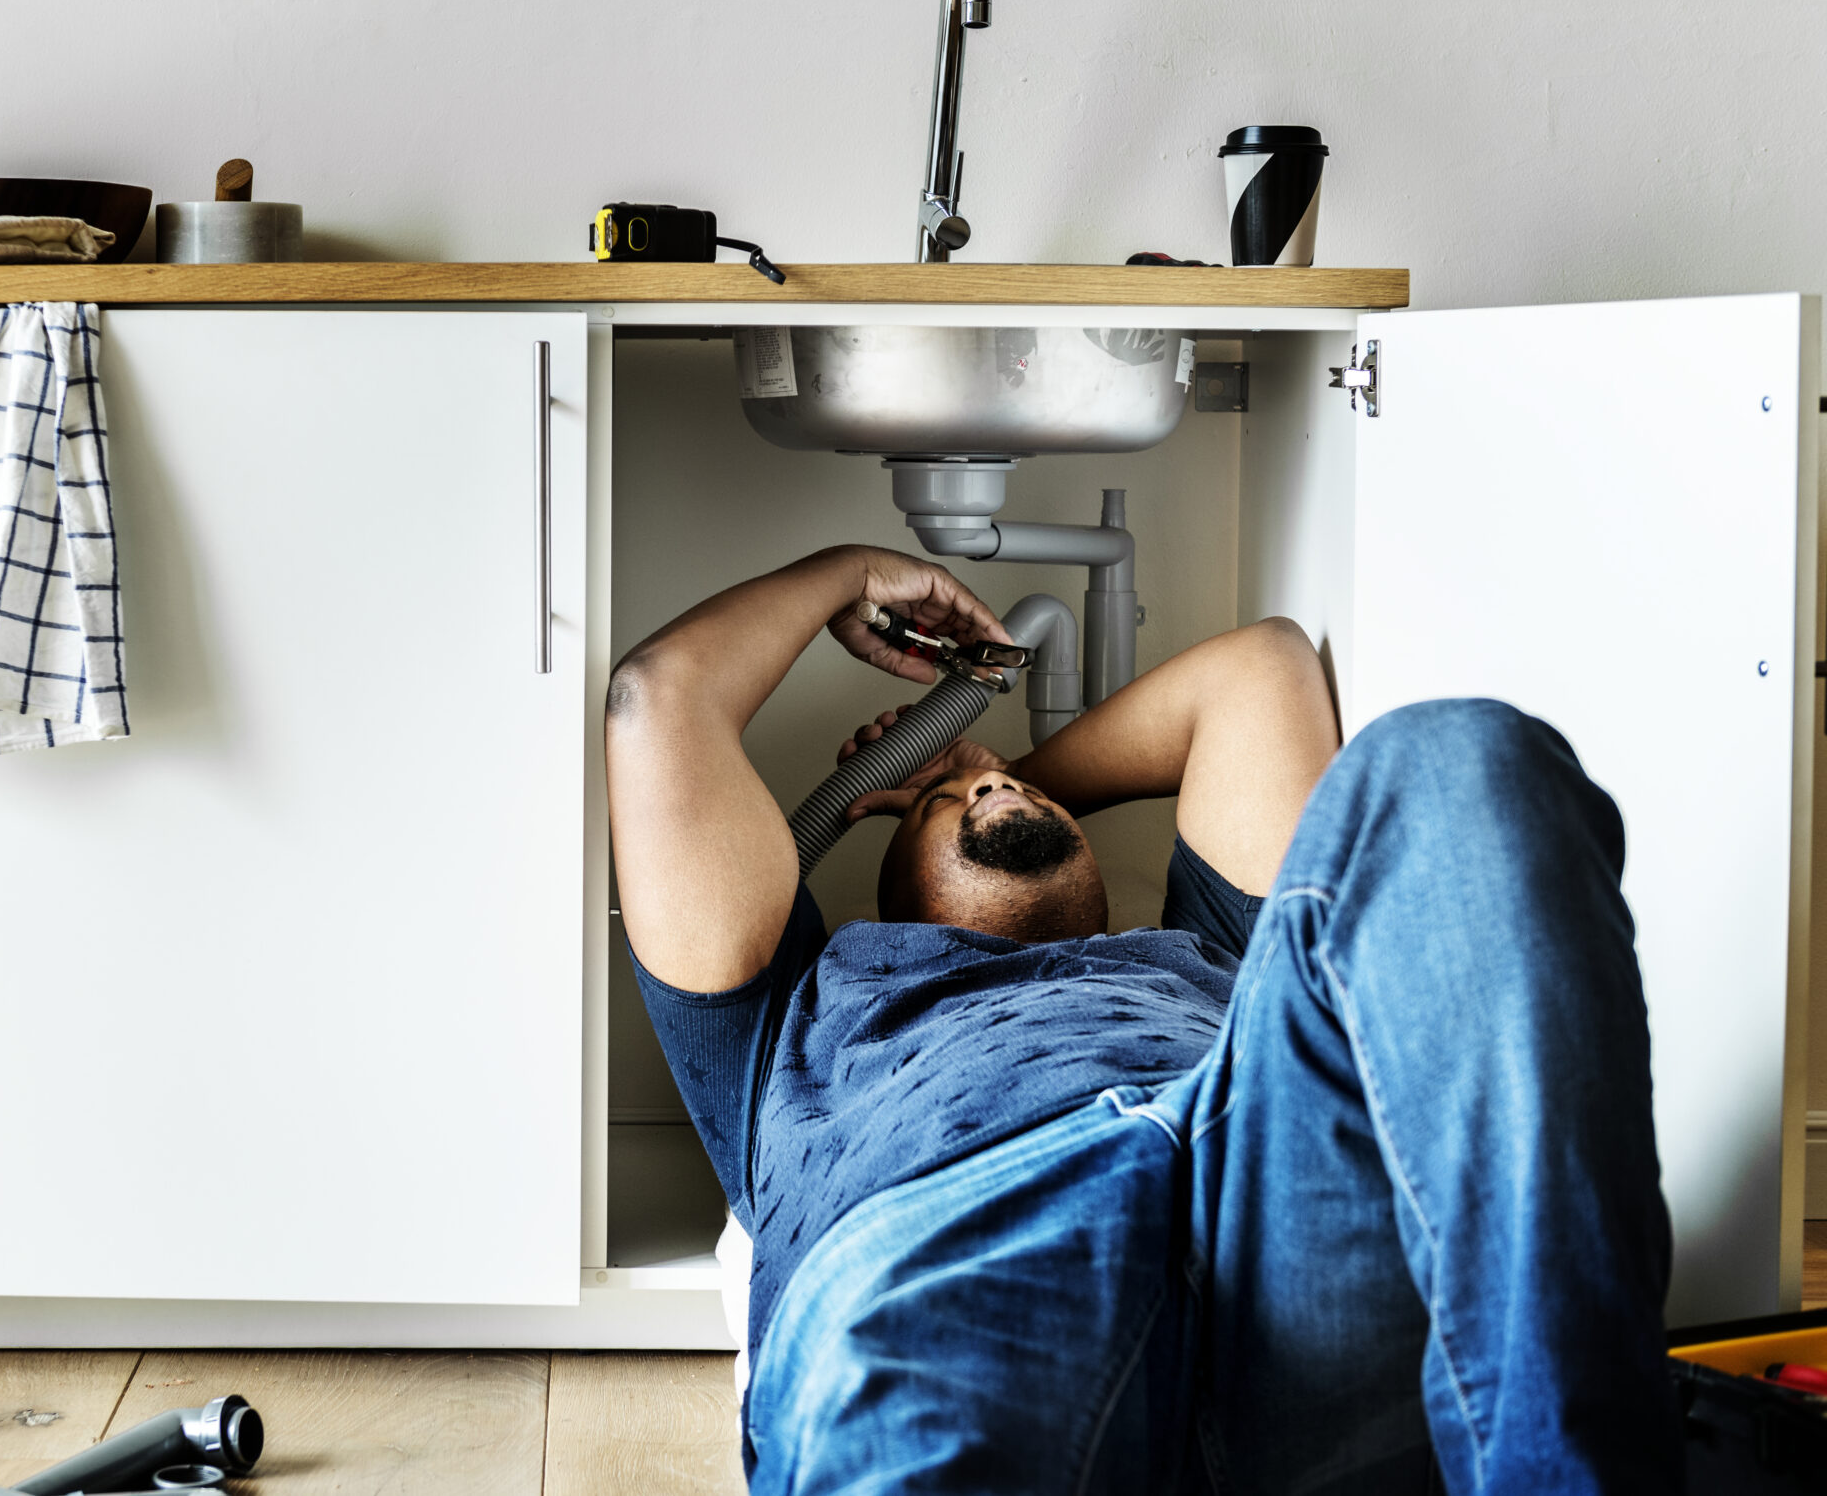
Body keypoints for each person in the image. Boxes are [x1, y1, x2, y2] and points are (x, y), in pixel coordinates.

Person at [605, 544, 1680, 1494]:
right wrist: (845, 571)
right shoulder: (795, 1006)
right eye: (940, 812)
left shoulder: (1207, 947)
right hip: (960, 1242)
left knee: (1460, 763)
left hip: (1266, 1192)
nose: (989, 803)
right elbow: (660, 699)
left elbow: (1259, 669)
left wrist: (992, 775)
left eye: (1008, 801)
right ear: (884, 882)